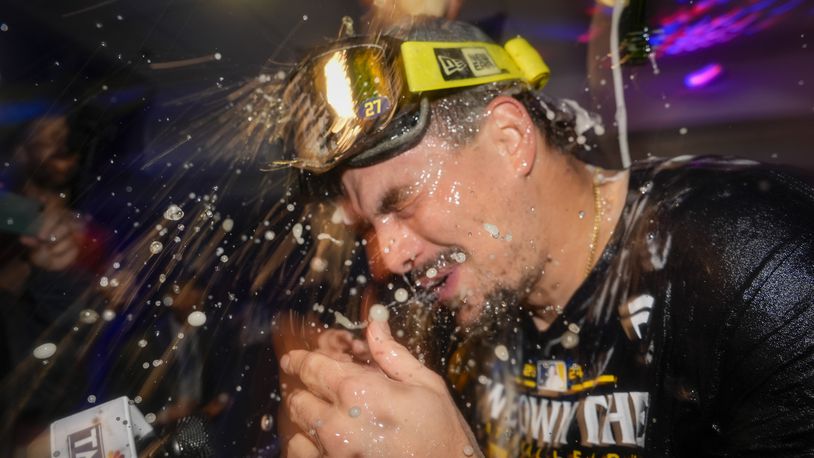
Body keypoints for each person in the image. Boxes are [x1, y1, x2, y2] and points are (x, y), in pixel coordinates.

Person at [273, 17, 814, 457]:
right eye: (371, 226)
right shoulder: (460, 313)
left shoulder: (753, 261)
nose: (386, 257)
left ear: (510, 140)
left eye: (403, 200)